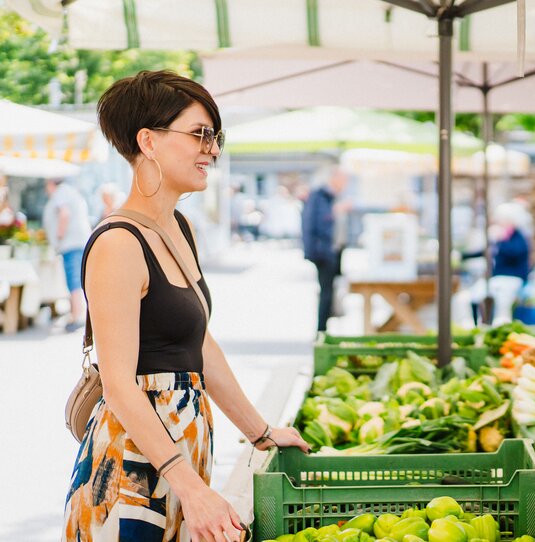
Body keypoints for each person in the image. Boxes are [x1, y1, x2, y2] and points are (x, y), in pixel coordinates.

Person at [62, 70, 309, 542]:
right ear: (148, 141)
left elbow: (199, 346)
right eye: (200, 134)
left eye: (215, 137)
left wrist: (260, 432)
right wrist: (191, 489)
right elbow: (119, 386)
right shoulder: (118, 243)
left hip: (180, 459)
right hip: (131, 474)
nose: (212, 150)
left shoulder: (178, 229)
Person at [464, 201, 532, 324]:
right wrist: (464, 256)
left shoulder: (518, 237)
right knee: (475, 295)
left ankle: (502, 324)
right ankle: (479, 325)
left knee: (502, 303)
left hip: (513, 278)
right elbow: (486, 251)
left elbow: (514, 252)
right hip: (497, 277)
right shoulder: (501, 236)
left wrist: (500, 241)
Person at [42, 177, 92, 332]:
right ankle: (75, 314)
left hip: (71, 243)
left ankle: (77, 316)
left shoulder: (61, 193)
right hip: (77, 241)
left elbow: (64, 214)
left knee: (73, 279)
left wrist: (59, 236)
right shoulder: (70, 192)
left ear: (51, 184)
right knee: (76, 278)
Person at [302, 169, 348, 333]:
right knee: (326, 292)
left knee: (330, 291)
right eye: (343, 180)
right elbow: (317, 224)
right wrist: (335, 213)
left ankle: (324, 327)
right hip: (323, 252)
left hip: (332, 251)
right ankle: (321, 330)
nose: (345, 184)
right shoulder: (320, 196)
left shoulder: (330, 197)